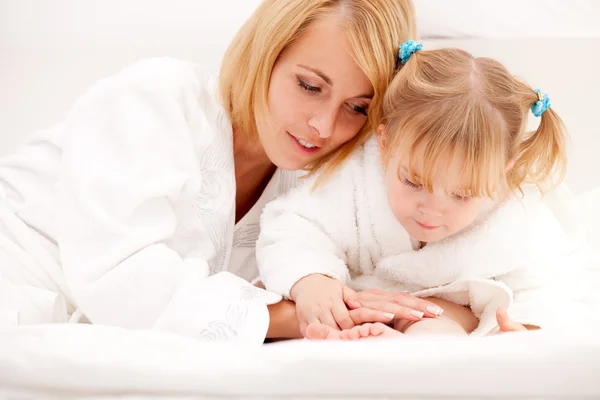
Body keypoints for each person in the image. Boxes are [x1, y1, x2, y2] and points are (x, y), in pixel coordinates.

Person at [0, 0, 441, 344]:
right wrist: (291, 316)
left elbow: (393, 272)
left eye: (357, 108)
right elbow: (118, 282)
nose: (324, 127)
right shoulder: (154, 100)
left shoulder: (331, 182)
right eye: (309, 86)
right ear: (265, 53)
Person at [256, 41, 569, 339]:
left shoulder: (516, 216)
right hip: (363, 302)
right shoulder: (356, 179)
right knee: (335, 319)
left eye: (462, 195)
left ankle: (412, 357)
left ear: (503, 170)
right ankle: (367, 345)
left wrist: (524, 327)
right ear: (385, 144)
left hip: (448, 312)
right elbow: (294, 226)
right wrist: (311, 279)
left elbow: (547, 282)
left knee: (435, 329)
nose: (431, 210)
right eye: (414, 182)